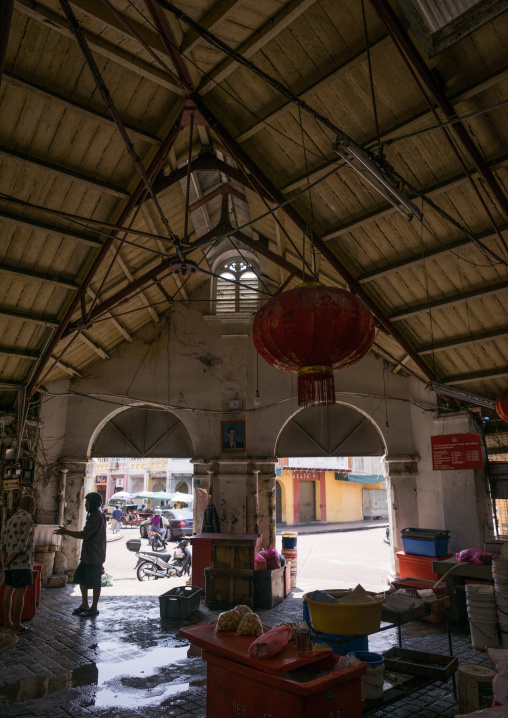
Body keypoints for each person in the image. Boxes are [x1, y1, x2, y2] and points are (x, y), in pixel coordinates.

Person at [54, 492, 106, 618]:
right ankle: (84, 604)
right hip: (89, 555)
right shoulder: (94, 515)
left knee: (95, 582)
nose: (85, 506)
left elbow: (84, 534)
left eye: (87, 503)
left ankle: (93, 608)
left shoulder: (96, 517)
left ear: (93, 504)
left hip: (94, 556)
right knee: (81, 577)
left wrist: (65, 531)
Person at [0, 495, 36, 634]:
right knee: (20, 592)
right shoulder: (27, 520)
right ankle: (17, 625)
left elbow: (1, 542)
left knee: (8, 591)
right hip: (21, 563)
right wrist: (11, 558)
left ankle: (7, 623)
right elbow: (23, 544)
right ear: (31, 505)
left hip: (8, 563)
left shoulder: (11, 519)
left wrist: (5, 559)